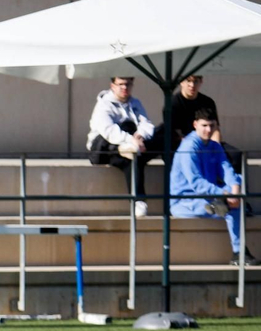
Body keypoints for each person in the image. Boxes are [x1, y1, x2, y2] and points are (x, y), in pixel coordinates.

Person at [170, 109, 253, 267]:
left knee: (235, 193)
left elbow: (227, 169)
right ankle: (239, 251)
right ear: (195, 125)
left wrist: (235, 189)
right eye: (204, 125)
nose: (208, 130)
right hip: (184, 202)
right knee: (230, 206)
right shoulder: (189, 146)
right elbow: (196, 183)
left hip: (208, 196)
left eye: (212, 125)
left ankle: (238, 253)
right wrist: (225, 193)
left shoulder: (215, 146)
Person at [86, 75, 159, 218]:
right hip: (103, 149)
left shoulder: (135, 103)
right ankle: (139, 200)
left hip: (131, 146)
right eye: (121, 84)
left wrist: (140, 136)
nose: (125, 88)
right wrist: (131, 140)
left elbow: (146, 123)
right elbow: (108, 131)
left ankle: (139, 200)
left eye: (128, 84)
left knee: (151, 140)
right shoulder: (104, 105)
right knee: (129, 144)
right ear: (112, 85)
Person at [169, 74, 245, 183]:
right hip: (185, 145)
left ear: (201, 82)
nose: (192, 85)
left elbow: (215, 129)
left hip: (208, 143)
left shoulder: (207, 102)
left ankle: (236, 195)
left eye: (195, 81)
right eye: (188, 81)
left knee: (236, 155)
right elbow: (176, 134)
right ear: (181, 82)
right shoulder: (173, 103)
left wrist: (215, 148)